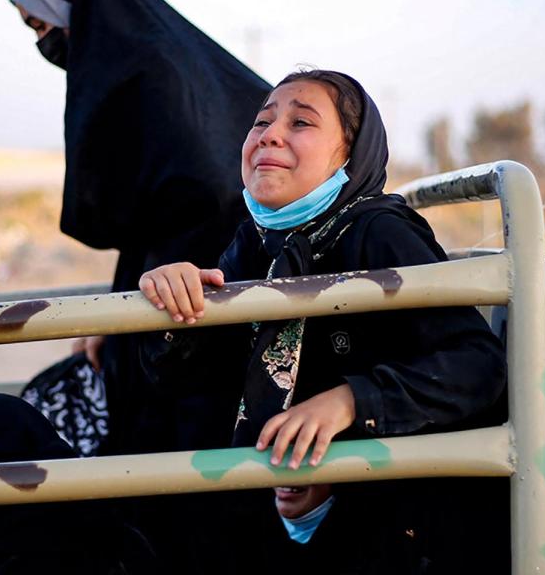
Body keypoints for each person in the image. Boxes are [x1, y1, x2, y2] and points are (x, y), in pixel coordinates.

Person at [139, 69, 510, 573]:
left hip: (410, 529)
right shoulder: (257, 241)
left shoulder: (379, 232)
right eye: (262, 121)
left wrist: (351, 402)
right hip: (291, 505)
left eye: (301, 123)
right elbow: (188, 376)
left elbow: (478, 365)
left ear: (349, 155)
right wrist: (173, 306)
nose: (270, 133)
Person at [6, 0, 271, 458]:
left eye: (40, 23)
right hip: (177, 287)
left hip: (200, 301)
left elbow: (198, 197)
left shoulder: (142, 73)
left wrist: (137, 312)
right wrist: (119, 314)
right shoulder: (170, 55)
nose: (42, 41)